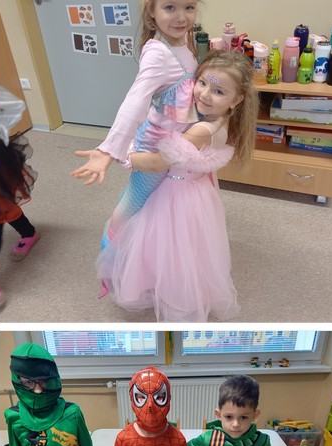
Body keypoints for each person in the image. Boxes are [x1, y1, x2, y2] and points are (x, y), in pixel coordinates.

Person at [97, 51, 255, 321]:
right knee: (183, 247)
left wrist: (122, 155)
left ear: (237, 99)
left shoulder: (200, 131)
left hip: (174, 193)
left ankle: (166, 290)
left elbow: (158, 162)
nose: (205, 94)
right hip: (193, 190)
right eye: (202, 83)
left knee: (162, 243)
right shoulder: (215, 120)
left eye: (218, 91)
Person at [72, 0, 200, 298]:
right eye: (170, 7)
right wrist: (108, 151)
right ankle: (111, 269)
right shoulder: (158, 53)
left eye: (189, 7)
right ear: (151, 10)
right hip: (155, 148)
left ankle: (153, 263)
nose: (181, 17)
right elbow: (136, 100)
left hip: (176, 143)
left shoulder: (183, 40)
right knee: (128, 212)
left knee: (160, 209)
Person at [0, 86, 40, 310]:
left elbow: (13, 106)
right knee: (4, 209)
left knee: (0, 213)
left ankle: (29, 233)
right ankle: (29, 232)